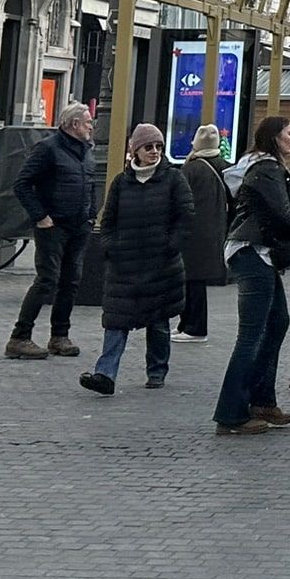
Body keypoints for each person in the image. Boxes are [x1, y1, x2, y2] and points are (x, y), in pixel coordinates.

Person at [213, 116, 290, 438]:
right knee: (252, 334)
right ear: (274, 137)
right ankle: (230, 414)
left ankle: (262, 401)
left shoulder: (258, 166)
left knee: (277, 322)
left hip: (253, 250)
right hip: (253, 251)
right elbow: (283, 215)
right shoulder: (268, 168)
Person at [81, 124, 191, 395]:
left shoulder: (173, 180)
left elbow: (185, 217)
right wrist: (111, 247)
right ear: (136, 150)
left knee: (158, 320)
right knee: (116, 320)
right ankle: (105, 374)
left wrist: (170, 245)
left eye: (158, 147)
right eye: (148, 147)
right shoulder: (122, 182)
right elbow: (108, 219)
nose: (154, 152)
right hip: (124, 264)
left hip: (160, 263)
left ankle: (157, 370)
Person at [5, 101, 97, 360]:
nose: (91, 127)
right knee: (47, 279)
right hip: (53, 225)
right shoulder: (48, 149)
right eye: (88, 122)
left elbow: (90, 184)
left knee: (71, 281)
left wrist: (90, 215)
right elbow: (22, 184)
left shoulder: (85, 151)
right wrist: (41, 216)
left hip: (78, 225)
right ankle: (20, 337)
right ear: (75, 124)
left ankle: (60, 335)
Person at [177, 125, 229, 342]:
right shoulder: (225, 167)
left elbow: (180, 200)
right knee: (195, 280)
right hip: (216, 229)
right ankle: (187, 324)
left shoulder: (191, 168)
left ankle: (194, 327)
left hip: (193, 232)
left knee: (192, 280)